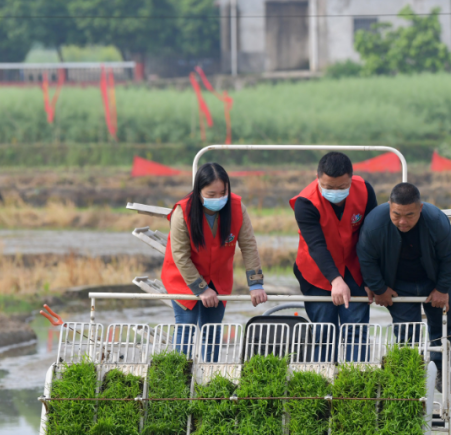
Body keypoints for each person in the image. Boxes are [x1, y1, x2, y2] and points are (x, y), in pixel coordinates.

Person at [358, 182, 451, 392]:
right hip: (398, 284)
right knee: (406, 331)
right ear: (389, 207)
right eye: (396, 215)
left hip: (433, 280)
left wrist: (442, 288)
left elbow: (450, 256)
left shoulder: (435, 220)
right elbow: (366, 258)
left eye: (410, 215)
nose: (403, 221)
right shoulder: (375, 224)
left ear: (420, 208)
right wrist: (379, 288)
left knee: (442, 326)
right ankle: (408, 375)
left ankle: (441, 368)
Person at [161, 162, 267, 358]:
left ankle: (210, 380)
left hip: (218, 278)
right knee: (186, 327)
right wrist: (201, 289)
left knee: (212, 332)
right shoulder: (182, 211)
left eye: (223, 193)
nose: (219, 198)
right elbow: (180, 256)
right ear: (198, 192)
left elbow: (249, 246)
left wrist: (256, 284)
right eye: (211, 194)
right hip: (183, 278)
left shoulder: (237, 208)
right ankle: (178, 382)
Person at [290, 152, 378, 357]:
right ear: (318, 177)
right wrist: (335, 280)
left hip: (355, 268)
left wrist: (371, 278)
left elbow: (372, 235)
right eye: (328, 187)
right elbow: (316, 245)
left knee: (356, 332)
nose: (335, 192)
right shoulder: (305, 203)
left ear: (351, 178)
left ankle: (354, 384)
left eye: (341, 187)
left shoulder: (364, 190)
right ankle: (324, 383)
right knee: (324, 333)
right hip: (317, 272)